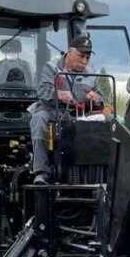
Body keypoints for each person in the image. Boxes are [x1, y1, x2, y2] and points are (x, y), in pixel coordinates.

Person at [30, 35, 105, 182]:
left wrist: (96, 99)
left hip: (78, 115)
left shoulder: (91, 74)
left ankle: (99, 173)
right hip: (53, 112)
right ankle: (41, 172)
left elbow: (102, 100)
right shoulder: (51, 68)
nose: (84, 61)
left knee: (106, 121)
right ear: (69, 52)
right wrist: (58, 94)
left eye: (87, 58)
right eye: (80, 56)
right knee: (39, 119)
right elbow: (43, 92)